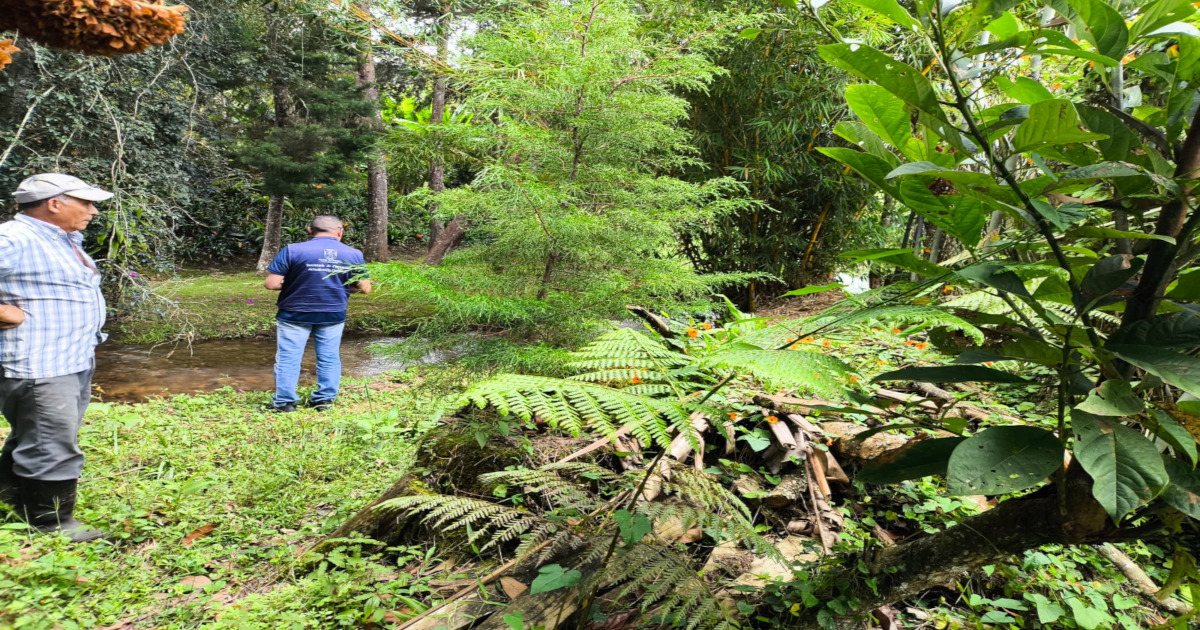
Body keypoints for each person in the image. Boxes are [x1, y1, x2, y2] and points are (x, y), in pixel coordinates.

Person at [0, 173, 112, 542]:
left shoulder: (62, 240)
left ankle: (10, 498)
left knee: (35, 434)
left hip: (70, 357)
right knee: (51, 440)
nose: (93, 211)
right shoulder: (15, 238)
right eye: (87, 202)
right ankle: (52, 523)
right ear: (55, 203)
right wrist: (7, 313)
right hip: (39, 363)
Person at [263, 215, 371, 412]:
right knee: (329, 357)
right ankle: (324, 401)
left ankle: (285, 404)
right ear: (340, 232)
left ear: (309, 230)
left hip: (294, 313)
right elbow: (365, 288)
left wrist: (295, 283)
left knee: (288, 358)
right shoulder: (353, 254)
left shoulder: (292, 250)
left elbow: (271, 284)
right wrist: (346, 286)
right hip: (332, 314)